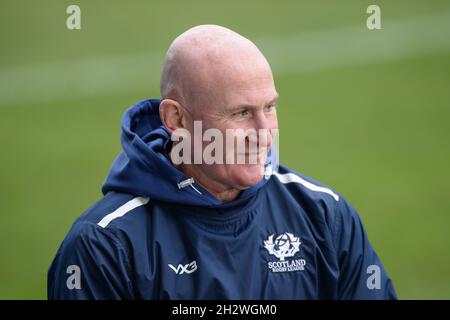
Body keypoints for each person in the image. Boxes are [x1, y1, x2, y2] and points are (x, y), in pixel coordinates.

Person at [48, 25, 397, 299]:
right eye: (241, 113)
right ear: (177, 120)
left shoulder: (324, 216)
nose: (264, 133)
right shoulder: (104, 247)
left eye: (269, 107)